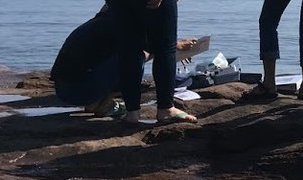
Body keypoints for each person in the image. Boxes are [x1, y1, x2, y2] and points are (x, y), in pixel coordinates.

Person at [52, 6, 196, 117]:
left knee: (131, 55)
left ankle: (94, 102)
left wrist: (170, 50)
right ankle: (103, 104)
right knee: (132, 57)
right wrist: (174, 47)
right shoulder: (119, 24)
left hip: (65, 89)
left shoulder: (105, 21)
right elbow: (147, 50)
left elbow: (150, 47)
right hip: (76, 90)